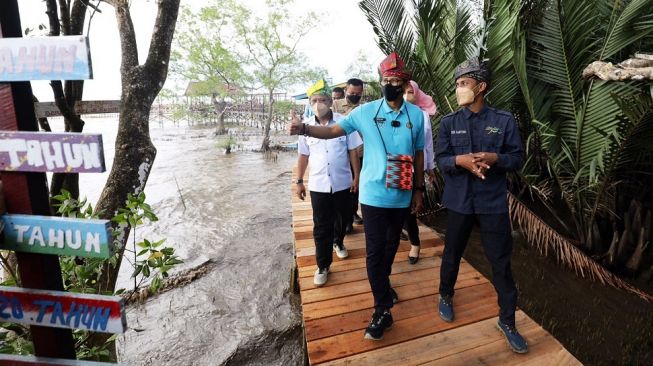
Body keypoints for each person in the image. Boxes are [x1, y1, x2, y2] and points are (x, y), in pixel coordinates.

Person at [290, 53, 425, 341]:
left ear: (404, 83)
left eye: (395, 80)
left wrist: (419, 188)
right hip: (373, 197)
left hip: (401, 195)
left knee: (390, 249)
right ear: (381, 82)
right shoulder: (365, 113)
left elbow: (419, 153)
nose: (390, 84)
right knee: (375, 252)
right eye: (385, 80)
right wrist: (303, 128)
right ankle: (382, 310)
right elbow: (333, 131)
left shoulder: (416, 116)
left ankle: (383, 287)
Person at [435, 58, 527, 353]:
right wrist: (460, 161)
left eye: (463, 83)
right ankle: (446, 295)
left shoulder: (503, 121)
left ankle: (508, 321)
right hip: (460, 201)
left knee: (500, 262)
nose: (459, 88)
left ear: (481, 86)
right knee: (452, 253)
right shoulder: (449, 122)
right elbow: (441, 160)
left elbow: (517, 158)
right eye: (458, 84)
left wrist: (495, 158)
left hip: (492, 203)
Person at [295, 79, 362, 287]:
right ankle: (322, 265)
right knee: (321, 225)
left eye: (323, 99)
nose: (319, 103)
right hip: (318, 184)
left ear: (331, 101)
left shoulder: (344, 122)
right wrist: (299, 181)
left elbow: (352, 151)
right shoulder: (305, 128)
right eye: (314, 100)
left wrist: (356, 176)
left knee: (341, 219)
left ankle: (338, 241)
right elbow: (303, 156)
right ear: (309, 103)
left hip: (343, 182)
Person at [401, 80, 437, 264]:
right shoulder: (392, 114)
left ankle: (415, 244)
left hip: (413, 169)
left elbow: (427, 145)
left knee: (410, 210)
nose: (407, 96)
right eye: (403, 92)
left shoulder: (422, 116)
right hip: (395, 168)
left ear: (416, 94)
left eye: (410, 92)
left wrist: (430, 167)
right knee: (394, 206)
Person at [333, 78, 365, 229]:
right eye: (352, 92)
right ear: (346, 90)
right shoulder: (335, 105)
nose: (355, 96)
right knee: (342, 187)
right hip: (341, 154)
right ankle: (344, 219)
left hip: (359, 153)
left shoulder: (364, 108)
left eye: (358, 93)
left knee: (356, 185)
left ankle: (353, 213)